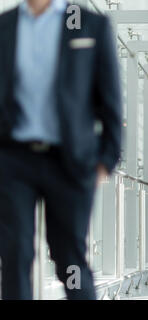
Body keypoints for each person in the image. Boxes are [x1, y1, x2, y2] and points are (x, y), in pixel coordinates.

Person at [0, 0, 122, 300]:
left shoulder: (88, 23)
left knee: (69, 256)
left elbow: (110, 100)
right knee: (14, 252)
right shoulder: (5, 25)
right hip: (14, 159)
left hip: (69, 160)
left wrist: (106, 160)